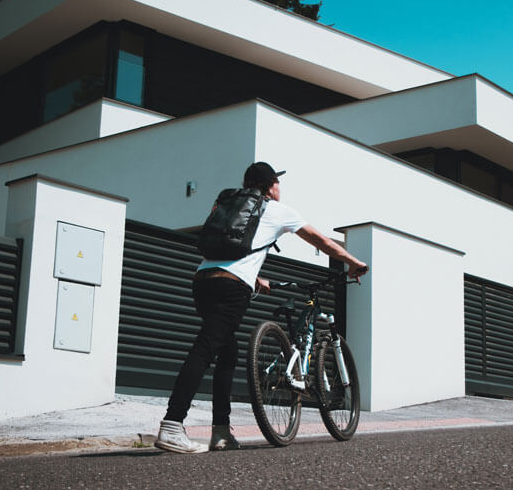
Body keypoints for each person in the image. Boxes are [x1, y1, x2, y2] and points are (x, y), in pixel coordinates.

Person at [155, 162, 368, 454]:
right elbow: (319, 239)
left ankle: (221, 431)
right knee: (205, 348)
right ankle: (172, 424)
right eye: (277, 183)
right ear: (270, 186)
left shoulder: (232, 204)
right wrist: (352, 261)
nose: (280, 188)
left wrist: (255, 278)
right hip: (232, 288)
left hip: (203, 281)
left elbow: (230, 249)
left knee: (227, 352)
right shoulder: (278, 210)